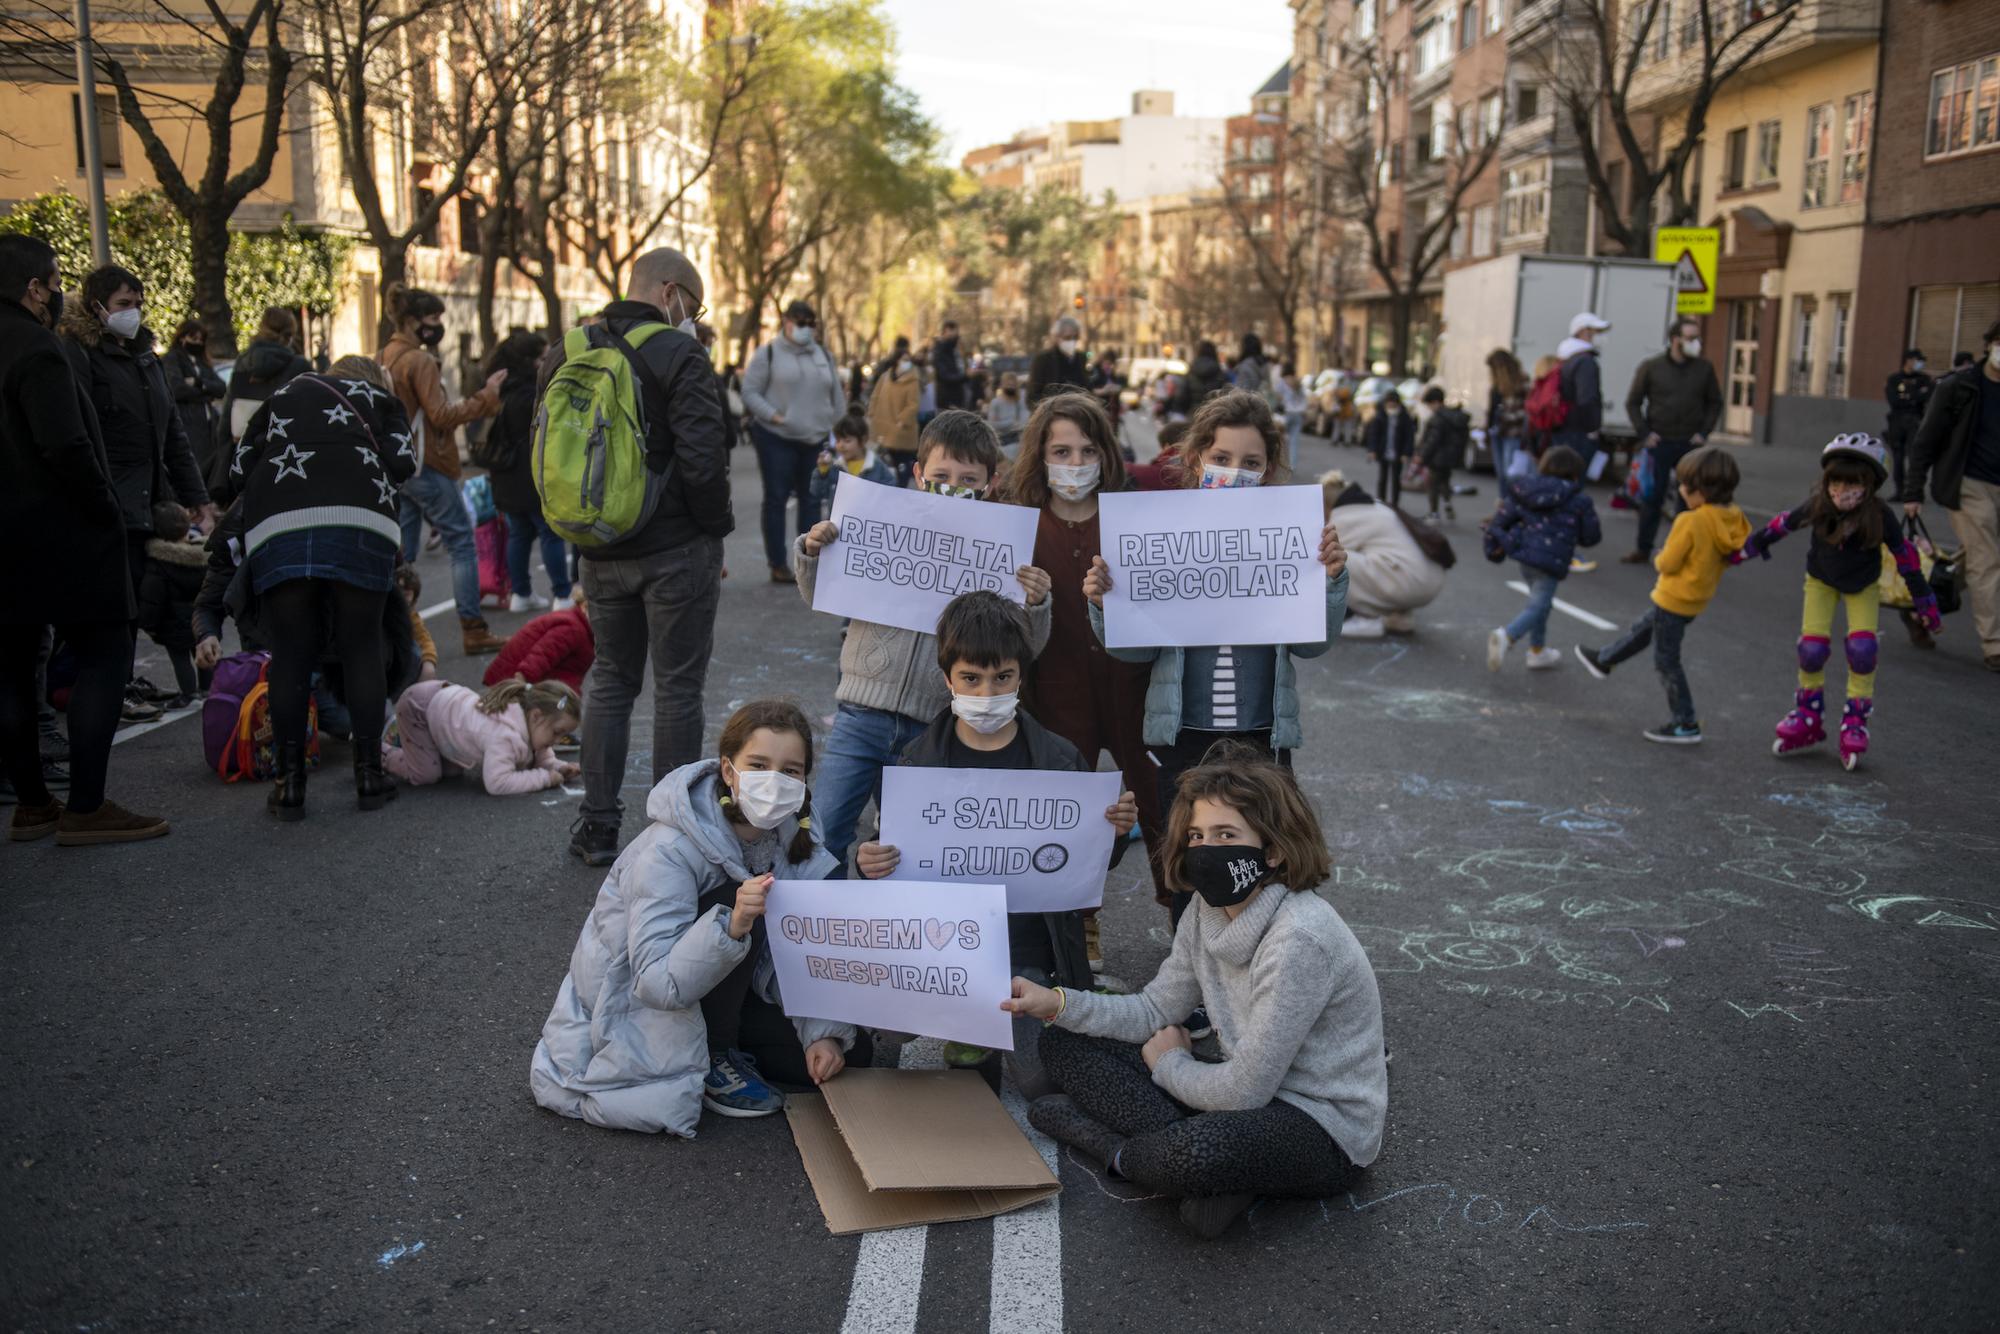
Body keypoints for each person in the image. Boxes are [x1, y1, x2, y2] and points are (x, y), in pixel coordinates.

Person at [1003, 746, 1386, 1241]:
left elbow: (1248, 1091)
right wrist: (1055, 1003)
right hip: (1236, 1093)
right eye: (1196, 836)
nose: (1206, 851)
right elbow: (1154, 1010)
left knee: (1201, 1153)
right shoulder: (1205, 910)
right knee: (1064, 1041)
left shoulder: (1299, 939)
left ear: (1272, 849)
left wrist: (1169, 1067)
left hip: (1319, 1128)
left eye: (1226, 835)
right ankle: (1210, 1180)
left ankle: (1117, 1152)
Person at [531, 699, 871, 1131]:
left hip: (727, 986)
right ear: (729, 771)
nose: (774, 781)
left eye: (790, 771)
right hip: (640, 1007)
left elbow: (804, 949)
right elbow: (654, 983)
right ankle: (715, 1055)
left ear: (805, 781)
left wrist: (822, 1031)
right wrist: (731, 926)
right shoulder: (669, 850)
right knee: (735, 897)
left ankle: (729, 1041)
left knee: (851, 1052)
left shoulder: (795, 838)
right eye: (759, 765)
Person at [1084, 391, 1348, 931]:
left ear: (1269, 469)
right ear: (1197, 457)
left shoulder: (1288, 537)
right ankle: (1192, 979)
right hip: (1184, 736)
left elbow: (1312, 643)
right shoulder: (1160, 532)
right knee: (1191, 858)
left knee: (1262, 858)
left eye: (1251, 463)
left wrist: (1332, 579)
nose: (1236, 472)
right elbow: (1131, 649)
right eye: (1223, 459)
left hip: (1260, 736)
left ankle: (1257, 971)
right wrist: (1104, 603)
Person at [857, 591, 1136, 1083]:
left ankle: (981, 1031)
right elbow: (894, 866)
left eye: (1002, 677)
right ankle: (950, 1032)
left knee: (1038, 1083)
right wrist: (869, 863)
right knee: (877, 1039)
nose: (987, 693)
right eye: (971, 678)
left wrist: (1110, 832)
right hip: (939, 950)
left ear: (1020, 677)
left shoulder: (1059, 759)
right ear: (947, 679)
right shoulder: (915, 765)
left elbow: (1088, 867)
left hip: (1025, 950)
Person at [537, 248, 733, 865]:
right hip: (676, 549)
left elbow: (550, 454)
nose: (693, 318)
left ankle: (596, 826)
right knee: (677, 688)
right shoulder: (682, 354)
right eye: (692, 307)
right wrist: (715, 531)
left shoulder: (567, 350)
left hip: (600, 547)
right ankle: (668, 835)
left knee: (611, 681)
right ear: (670, 291)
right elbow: (705, 463)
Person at [794, 410, 1054, 873]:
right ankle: (819, 926)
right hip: (861, 713)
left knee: (905, 844)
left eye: (968, 478)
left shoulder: (1000, 548)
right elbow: (821, 594)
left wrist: (1034, 604)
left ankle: (888, 933)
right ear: (917, 475)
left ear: (990, 482)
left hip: (935, 726)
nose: (954, 485)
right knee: (824, 831)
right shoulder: (879, 521)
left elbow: (1022, 648)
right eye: (940, 475)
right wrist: (815, 552)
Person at [0, 235, 167, 844]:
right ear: (33, 287)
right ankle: (87, 806)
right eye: (52, 279)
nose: (56, 290)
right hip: (61, 530)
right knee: (106, 650)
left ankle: (33, 804)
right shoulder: (38, 349)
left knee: (14, 670)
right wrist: (103, 508)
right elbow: (65, 445)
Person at [220, 354, 415, 818]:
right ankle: (369, 775)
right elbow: (404, 463)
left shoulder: (282, 397)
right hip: (361, 522)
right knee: (361, 646)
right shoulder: (382, 400)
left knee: (291, 654)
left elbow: (237, 469)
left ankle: (290, 785)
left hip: (282, 524)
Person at [1007, 393, 1168, 944]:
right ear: (1040, 455)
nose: (1074, 464)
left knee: (1160, 806)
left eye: (1086, 450)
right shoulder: (1018, 526)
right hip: (1054, 691)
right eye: (1061, 450)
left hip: (1133, 689)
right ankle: (1076, 926)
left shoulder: (1136, 520)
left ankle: (1186, 921)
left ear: (1105, 454)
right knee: (1064, 813)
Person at [58, 264, 216, 707]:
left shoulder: (145, 357)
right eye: (123, 305)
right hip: (107, 505)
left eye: (138, 304)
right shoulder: (80, 353)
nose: (134, 313)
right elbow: (79, 433)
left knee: (129, 611)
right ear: (97, 307)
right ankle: (87, 688)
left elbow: (171, 438)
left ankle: (113, 686)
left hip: (146, 504)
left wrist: (198, 500)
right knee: (110, 613)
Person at [1740, 435, 1940, 769]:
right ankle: (1808, 715)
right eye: (1835, 480)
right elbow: (1782, 525)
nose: (1841, 489)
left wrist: (1924, 601)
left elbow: (1906, 557)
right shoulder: (1819, 504)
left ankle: (1856, 719)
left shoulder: (1880, 515)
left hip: (1862, 585)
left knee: (1863, 651)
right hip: (1820, 580)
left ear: (1870, 485)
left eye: (1852, 483)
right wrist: (1749, 548)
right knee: (1811, 649)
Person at [1575, 446, 1748, 745]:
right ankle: (1605, 659)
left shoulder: (1691, 521)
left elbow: (1667, 563)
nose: (1680, 490)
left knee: (1667, 661)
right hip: (1696, 596)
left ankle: (1685, 722)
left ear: (1700, 490)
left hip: (1675, 595)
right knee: (1644, 629)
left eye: (1684, 484)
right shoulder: (1733, 517)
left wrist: (1657, 557)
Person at [378, 283, 507, 655]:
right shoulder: (419, 361)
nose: (437, 326)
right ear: (412, 321)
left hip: (402, 467)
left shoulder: (385, 355)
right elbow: (441, 415)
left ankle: (396, 625)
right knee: (462, 544)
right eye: (433, 319)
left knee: (403, 551)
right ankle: (473, 627)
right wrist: (486, 398)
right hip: (429, 465)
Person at [1903, 319, 2000, 672]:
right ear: (1990, 344)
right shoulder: (1960, 388)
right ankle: (1994, 644)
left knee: (1976, 558)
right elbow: (1925, 441)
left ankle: (1921, 608)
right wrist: (1913, 492)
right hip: (1968, 484)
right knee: (1987, 561)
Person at [742, 298, 847, 582]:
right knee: (776, 499)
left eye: (812, 324)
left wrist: (834, 421)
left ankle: (810, 561)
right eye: (801, 324)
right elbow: (750, 392)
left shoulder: (823, 355)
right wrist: (775, 416)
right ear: (787, 323)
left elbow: (836, 394)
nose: (807, 330)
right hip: (778, 438)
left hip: (815, 439)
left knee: (812, 500)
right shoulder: (769, 353)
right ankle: (778, 564)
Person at [1483, 445, 1601, 671]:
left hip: (1525, 557)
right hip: (1551, 560)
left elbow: (1502, 519)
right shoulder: (1578, 499)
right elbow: (1591, 536)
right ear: (1575, 472)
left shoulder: (1525, 489)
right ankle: (1507, 636)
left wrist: (1495, 545)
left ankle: (1537, 651)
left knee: (1539, 604)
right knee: (1539, 605)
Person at [477, 330, 570, 612]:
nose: (546, 362)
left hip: (503, 474)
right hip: (530, 471)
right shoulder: (532, 393)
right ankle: (562, 596)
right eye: (542, 358)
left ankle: (520, 593)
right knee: (549, 532)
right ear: (528, 360)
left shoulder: (498, 388)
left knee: (518, 534)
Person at [1623, 317, 1723, 563]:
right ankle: (1643, 548)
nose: (1695, 343)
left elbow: (1715, 402)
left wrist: (1704, 432)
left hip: (1690, 445)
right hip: (1660, 442)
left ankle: (1679, 551)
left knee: (1687, 501)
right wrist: (1645, 433)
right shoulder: (1652, 367)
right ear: (1675, 339)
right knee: (1652, 498)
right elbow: (1633, 402)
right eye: (1690, 338)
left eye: (1697, 338)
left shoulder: (1704, 368)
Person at [381, 676, 580, 793]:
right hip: (419, 708)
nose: (555, 741)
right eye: (556, 733)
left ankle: (412, 743)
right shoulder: (502, 734)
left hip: (441, 709)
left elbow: (541, 757)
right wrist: (544, 778)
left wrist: (559, 768)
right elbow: (497, 783)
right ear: (536, 716)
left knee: (451, 772)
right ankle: (382, 751)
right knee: (426, 776)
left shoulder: (528, 723)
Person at [1321, 471, 1451, 638]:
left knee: (1332, 557)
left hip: (1410, 580)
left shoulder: (1344, 515)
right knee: (1367, 556)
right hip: (1429, 578)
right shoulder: (1373, 504)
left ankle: (1368, 616)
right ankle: (1400, 614)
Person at [217, 306, 312, 465]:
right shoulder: (299, 366)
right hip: (289, 455)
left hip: (245, 453)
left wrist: (223, 455)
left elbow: (228, 411)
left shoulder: (243, 362)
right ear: (290, 335)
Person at [136, 500, 207, 706]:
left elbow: (152, 599)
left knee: (181, 659)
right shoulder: (202, 556)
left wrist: (148, 625)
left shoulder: (159, 562)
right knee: (203, 653)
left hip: (172, 623)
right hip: (200, 619)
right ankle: (208, 689)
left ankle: (189, 694)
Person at [483, 592, 594, 694]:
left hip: (537, 681)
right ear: (584, 607)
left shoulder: (583, 628)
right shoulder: (572, 629)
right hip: (515, 679)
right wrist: (523, 677)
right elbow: (542, 654)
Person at [164, 317, 225, 476]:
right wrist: (206, 394)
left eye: (200, 339)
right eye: (193, 338)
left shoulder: (203, 363)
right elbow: (177, 388)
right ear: (182, 337)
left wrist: (197, 383)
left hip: (208, 424)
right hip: (188, 421)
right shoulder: (173, 358)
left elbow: (221, 388)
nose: (197, 343)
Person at [1555, 312, 1609, 469]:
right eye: (1597, 332)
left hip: (1563, 427)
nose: (1600, 336)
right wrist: (1592, 428)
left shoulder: (1567, 357)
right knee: (1575, 475)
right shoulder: (1585, 361)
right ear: (1583, 332)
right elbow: (1587, 398)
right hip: (1578, 432)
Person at [811, 411, 894, 508]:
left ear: (863, 440)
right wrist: (822, 471)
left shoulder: (876, 466)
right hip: (838, 522)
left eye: (847, 441)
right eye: (838, 441)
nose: (841, 445)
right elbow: (818, 492)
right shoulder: (836, 467)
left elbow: (891, 491)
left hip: (866, 519)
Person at [865, 343, 921, 484]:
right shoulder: (885, 377)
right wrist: (871, 413)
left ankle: (900, 490)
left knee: (902, 464)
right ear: (896, 360)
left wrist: (902, 420)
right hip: (884, 428)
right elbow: (875, 396)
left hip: (902, 431)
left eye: (908, 360)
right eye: (904, 359)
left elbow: (913, 404)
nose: (906, 363)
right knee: (885, 463)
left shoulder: (913, 380)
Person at [1882, 348, 1932, 500]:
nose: (1920, 364)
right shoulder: (1894, 379)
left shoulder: (1924, 379)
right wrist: (1915, 397)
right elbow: (1893, 400)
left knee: (1915, 457)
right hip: (1897, 422)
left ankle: (1915, 491)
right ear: (1909, 361)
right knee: (1898, 457)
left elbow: (1928, 395)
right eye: (1918, 361)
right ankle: (1900, 490)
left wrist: (1909, 398)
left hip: (1916, 421)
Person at [1414, 386, 1468, 522]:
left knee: (1432, 485)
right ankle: (1447, 503)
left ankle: (1434, 513)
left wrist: (1422, 455)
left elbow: (1433, 440)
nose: (1429, 408)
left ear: (1436, 402)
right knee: (1444, 482)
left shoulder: (1438, 418)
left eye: (1429, 404)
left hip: (1437, 457)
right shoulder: (1453, 415)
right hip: (1450, 457)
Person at [1362, 388, 1414, 507]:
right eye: (1388, 402)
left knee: (1396, 479)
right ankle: (1381, 501)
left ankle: (1395, 503)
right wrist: (1372, 450)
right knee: (1383, 477)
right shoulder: (1380, 415)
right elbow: (1373, 434)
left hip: (1398, 451)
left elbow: (1409, 436)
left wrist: (1406, 453)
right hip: (1383, 450)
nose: (1391, 405)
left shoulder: (1404, 417)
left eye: (1393, 402)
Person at [1484, 349, 1529, 483]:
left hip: (1513, 431)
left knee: (1510, 471)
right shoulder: (1496, 385)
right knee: (1501, 472)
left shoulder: (1521, 384)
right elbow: (1491, 410)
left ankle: (1512, 500)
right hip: (1497, 430)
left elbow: (1525, 411)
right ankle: (1505, 500)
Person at [1029, 316, 1090, 404]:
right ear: (1056, 337)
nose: (1072, 341)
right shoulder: (1043, 359)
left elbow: (1087, 388)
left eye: (1075, 337)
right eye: (1067, 337)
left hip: (1078, 411)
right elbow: (1033, 396)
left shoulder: (1081, 358)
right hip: (1053, 412)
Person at [1174, 340, 1227, 416]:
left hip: (1194, 415)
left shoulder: (1191, 372)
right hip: (1215, 415)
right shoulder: (1219, 372)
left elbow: (1181, 397)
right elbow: (1226, 394)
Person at [985, 370, 1029, 451]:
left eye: (1013, 384)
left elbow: (1025, 420)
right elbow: (992, 424)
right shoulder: (996, 402)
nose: (1011, 386)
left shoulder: (1020, 402)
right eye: (1008, 384)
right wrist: (1011, 422)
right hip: (1002, 441)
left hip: (1019, 440)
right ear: (1002, 384)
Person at [1277, 363, 1308, 471]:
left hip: (1286, 413)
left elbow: (1278, 396)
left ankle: (1281, 463)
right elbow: (1304, 397)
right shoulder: (1298, 382)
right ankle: (1292, 465)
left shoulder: (1282, 382)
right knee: (1294, 441)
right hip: (1298, 413)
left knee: (1281, 440)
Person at [931, 318, 967, 411]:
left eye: (956, 333)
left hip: (958, 398)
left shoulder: (955, 351)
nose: (955, 336)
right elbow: (945, 376)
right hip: (947, 400)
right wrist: (965, 376)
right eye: (951, 333)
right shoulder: (939, 351)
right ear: (944, 333)